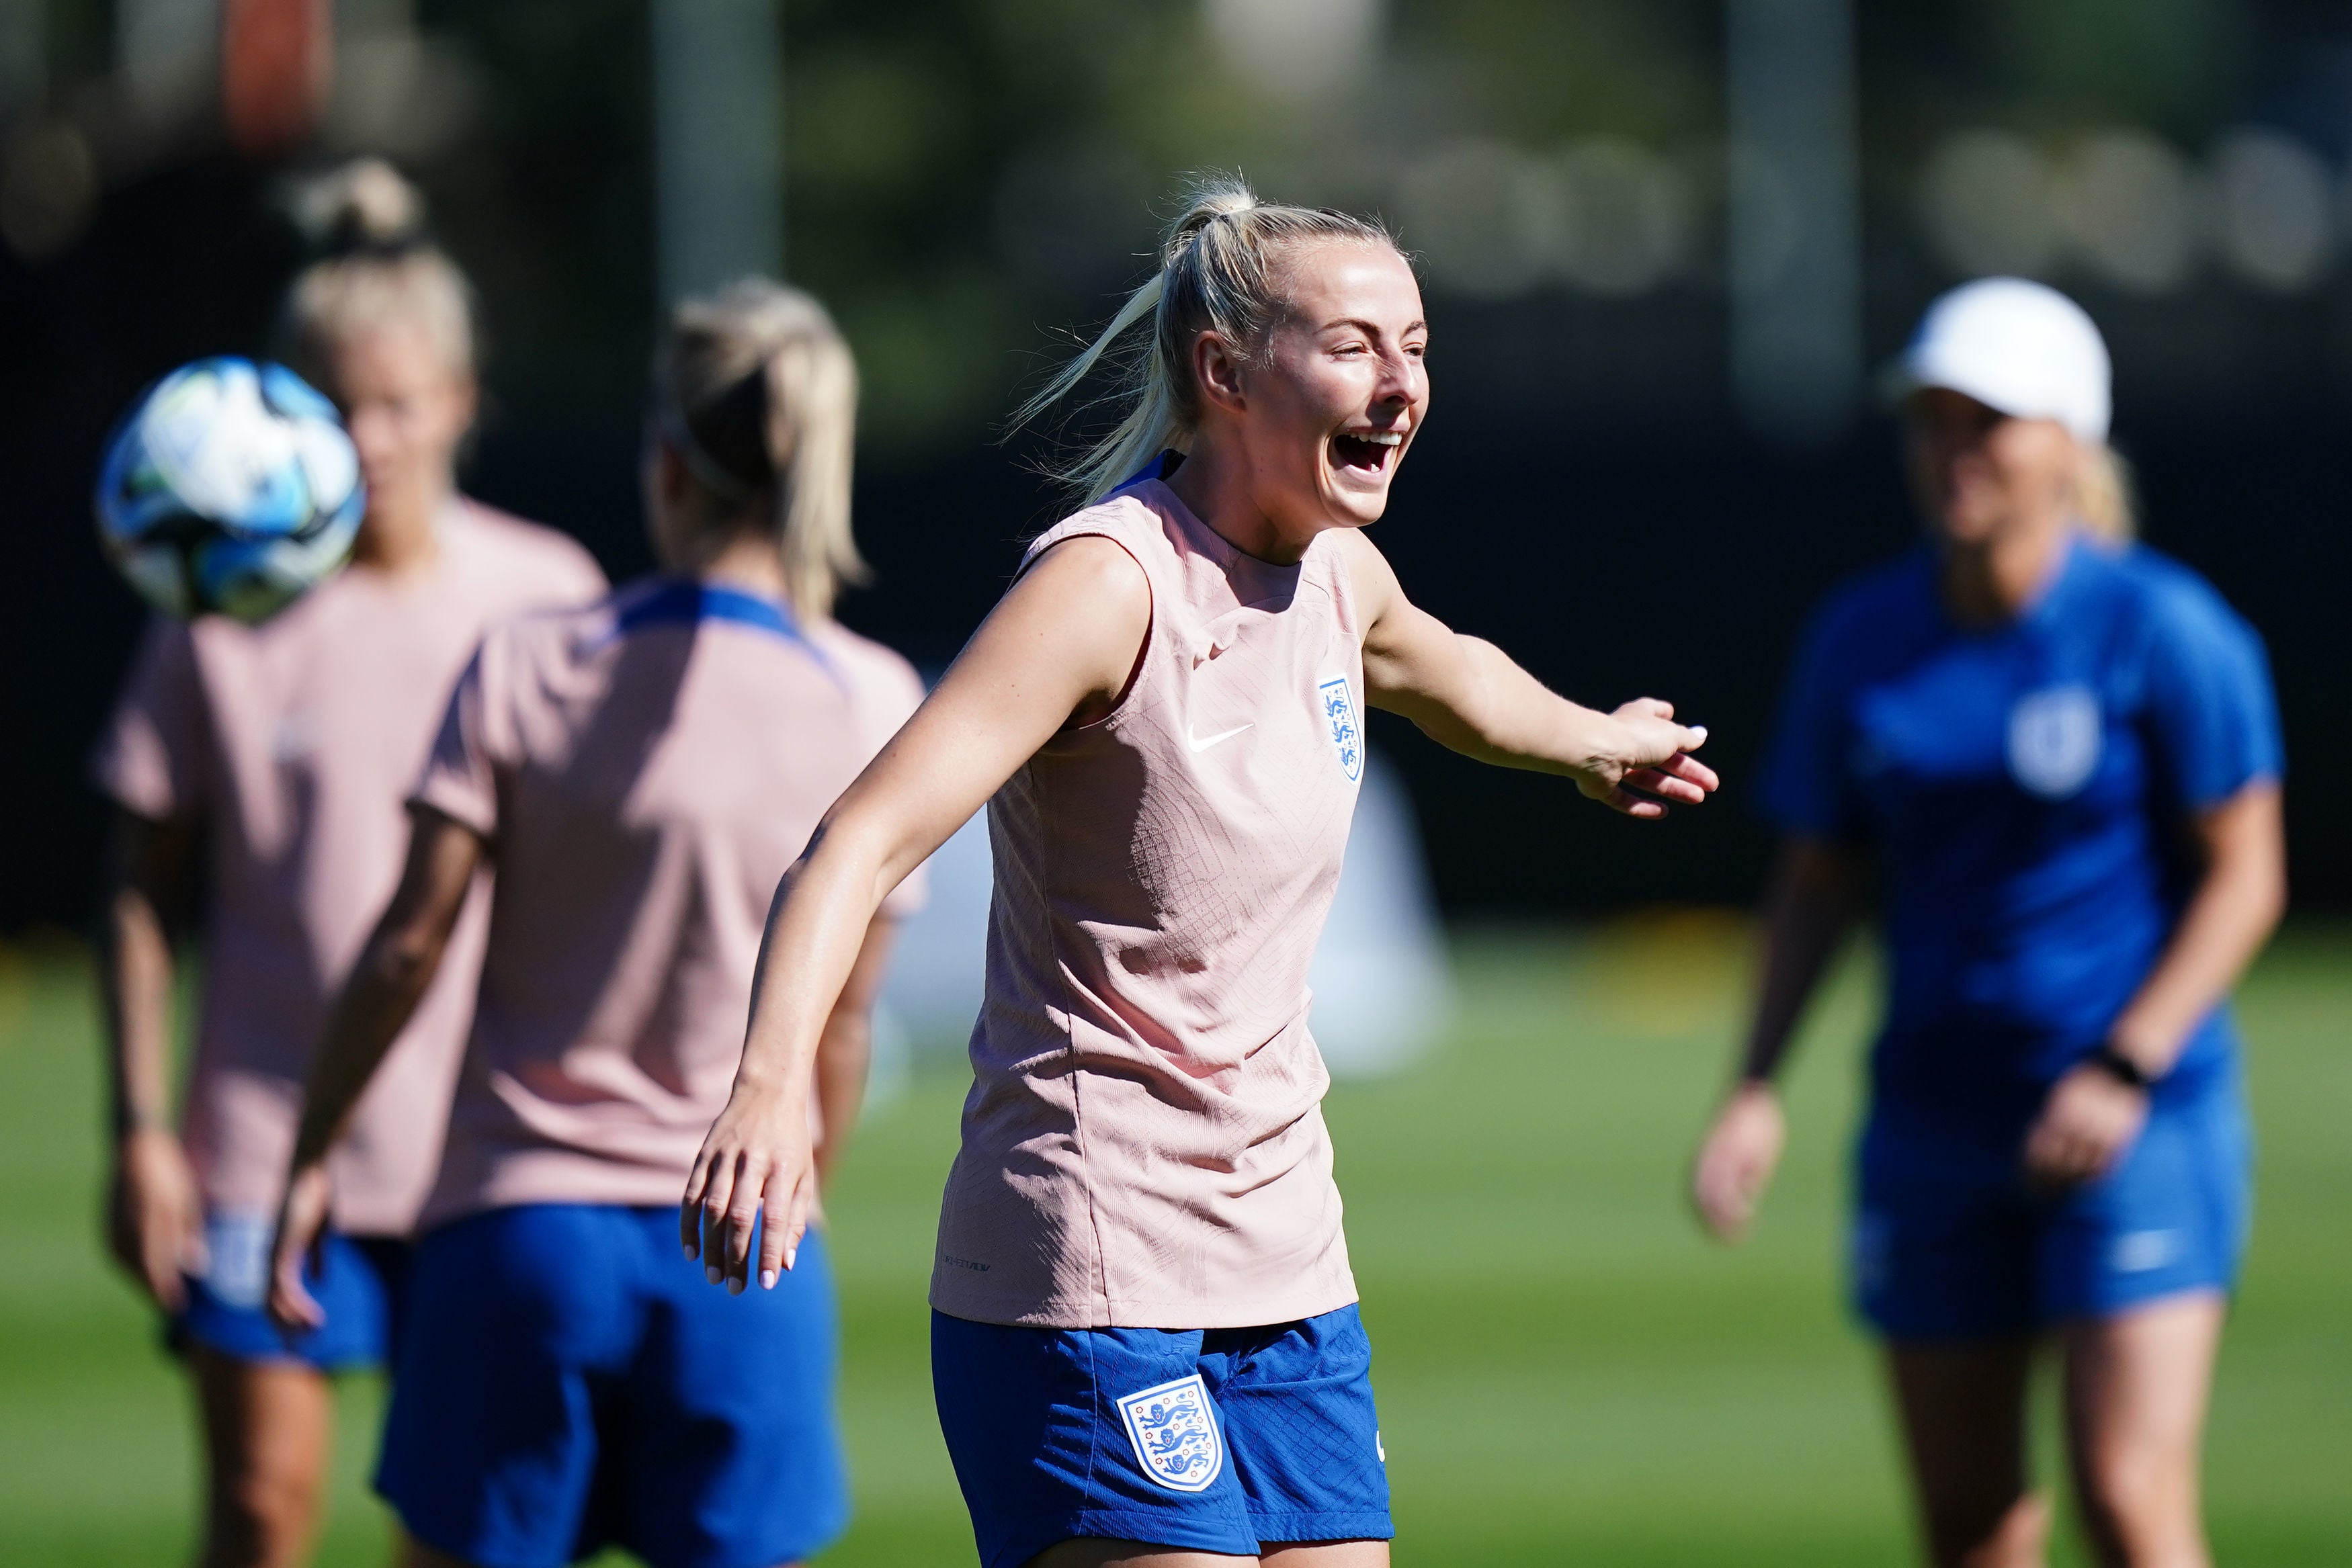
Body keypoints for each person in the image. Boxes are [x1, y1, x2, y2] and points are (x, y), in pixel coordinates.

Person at [683, 177, 1717, 1568]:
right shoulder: (1109, 585)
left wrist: (1592, 745)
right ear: (1226, 372)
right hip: (1090, 1268)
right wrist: (763, 1092)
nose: (1400, 382)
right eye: (1354, 344)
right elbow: (855, 842)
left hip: (1289, 1265)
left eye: (1416, 345)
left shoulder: (1341, 574)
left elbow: (1453, 676)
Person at [265, 277, 919, 1568]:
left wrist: (309, 1159)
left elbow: (408, 945)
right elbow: (841, 1030)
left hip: (515, 1240)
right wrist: (792, 1204)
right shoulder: (872, 697)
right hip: (740, 1259)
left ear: (666, 462)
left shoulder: (527, 659)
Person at [1690, 278, 2286, 1568]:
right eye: (1932, 421)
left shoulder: (2164, 630)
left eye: (1988, 423)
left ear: (2069, 441)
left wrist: (2126, 1064)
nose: (1952, 451)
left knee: (2129, 1498)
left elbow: (2248, 877)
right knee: (1971, 1528)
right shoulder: (1864, 636)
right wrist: (1753, 1084)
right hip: (1933, 1121)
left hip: (2138, 1122)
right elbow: (1814, 881)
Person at [93, 159, 606, 1568]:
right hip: (260, 1139)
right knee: (260, 1518)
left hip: (488, 1152)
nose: (370, 436)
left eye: (398, 401)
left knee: (459, 1540)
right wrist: (139, 1128)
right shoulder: (214, 605)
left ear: (459, 400)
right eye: (336, 403)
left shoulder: (550, 595)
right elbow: (140, 890)